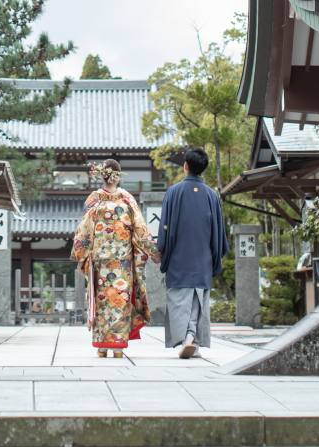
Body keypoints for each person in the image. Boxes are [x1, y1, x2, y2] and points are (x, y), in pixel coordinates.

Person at [71, 160, 161, 357]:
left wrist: (81, 256)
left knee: (101, 302)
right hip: (122, 263)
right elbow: (140, 230)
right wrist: (154, 252)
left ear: (101, 175)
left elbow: (83, 232)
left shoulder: (94, 200)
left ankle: (102, 346)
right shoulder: (127, 199)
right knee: (119, 301)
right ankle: (118, 346)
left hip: (100, 263)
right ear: (118, 176)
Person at [157, 146, 229, 358]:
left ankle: (188, 337)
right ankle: (193, 339)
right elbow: (218, 231)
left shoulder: (173, 192)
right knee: (198, 299)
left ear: (185, 166)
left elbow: (165, 228)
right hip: (203, 259)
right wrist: (215, 256)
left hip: (179, 259)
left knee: (180, 300)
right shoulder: (211, 195)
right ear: (203, 169)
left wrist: (162, 251)